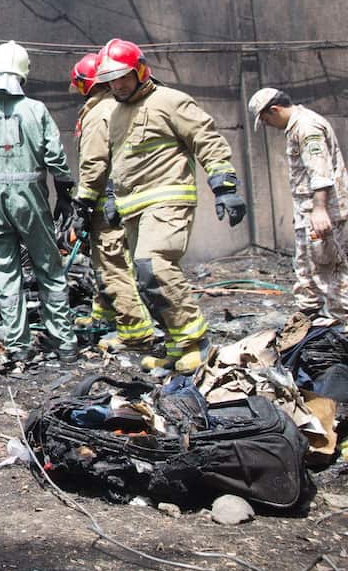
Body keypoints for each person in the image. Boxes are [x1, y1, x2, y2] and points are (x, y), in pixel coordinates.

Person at [79, 38, 246, 373]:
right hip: (133, 208)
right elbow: (113, 161)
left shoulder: (169, 101)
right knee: (144, 279)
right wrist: (106, 197)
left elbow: (206, 138)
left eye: (124, 76)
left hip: (168, 200)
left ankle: (196, 344)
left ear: (141, 70)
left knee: (153, 264)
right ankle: (175, 347)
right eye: (111, 79)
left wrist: (224, 185)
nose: (118, 84)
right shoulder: (115, 113)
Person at [0, 41, 78, 363]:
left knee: (6, 275)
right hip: (32, 200)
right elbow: (56, 157)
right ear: (24, 71)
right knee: (49, 269)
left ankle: (19, 347)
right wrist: (64, 194)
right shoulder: (37, 110)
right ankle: (64, 343)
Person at [69, 53, 155, 351]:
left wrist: (83, 203)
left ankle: (135, 331)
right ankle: (103, 313)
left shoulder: (98, 113)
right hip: (122, 198)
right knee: (105, 259)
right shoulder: (120, 107)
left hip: (106, 204)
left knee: (112, 263)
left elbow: (93, 164)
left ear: (85, 84)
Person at [249, 87, 348, 322]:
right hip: (309, 214)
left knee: (330, 272)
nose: (268, 125)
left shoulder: (307, 127)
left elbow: (319, 170)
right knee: (307, 270)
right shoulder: (297, 126)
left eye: (265, 119)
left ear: (274, 110)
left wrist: (320, 209)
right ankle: (311, 322)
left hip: (324, 214)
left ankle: (342, 325)